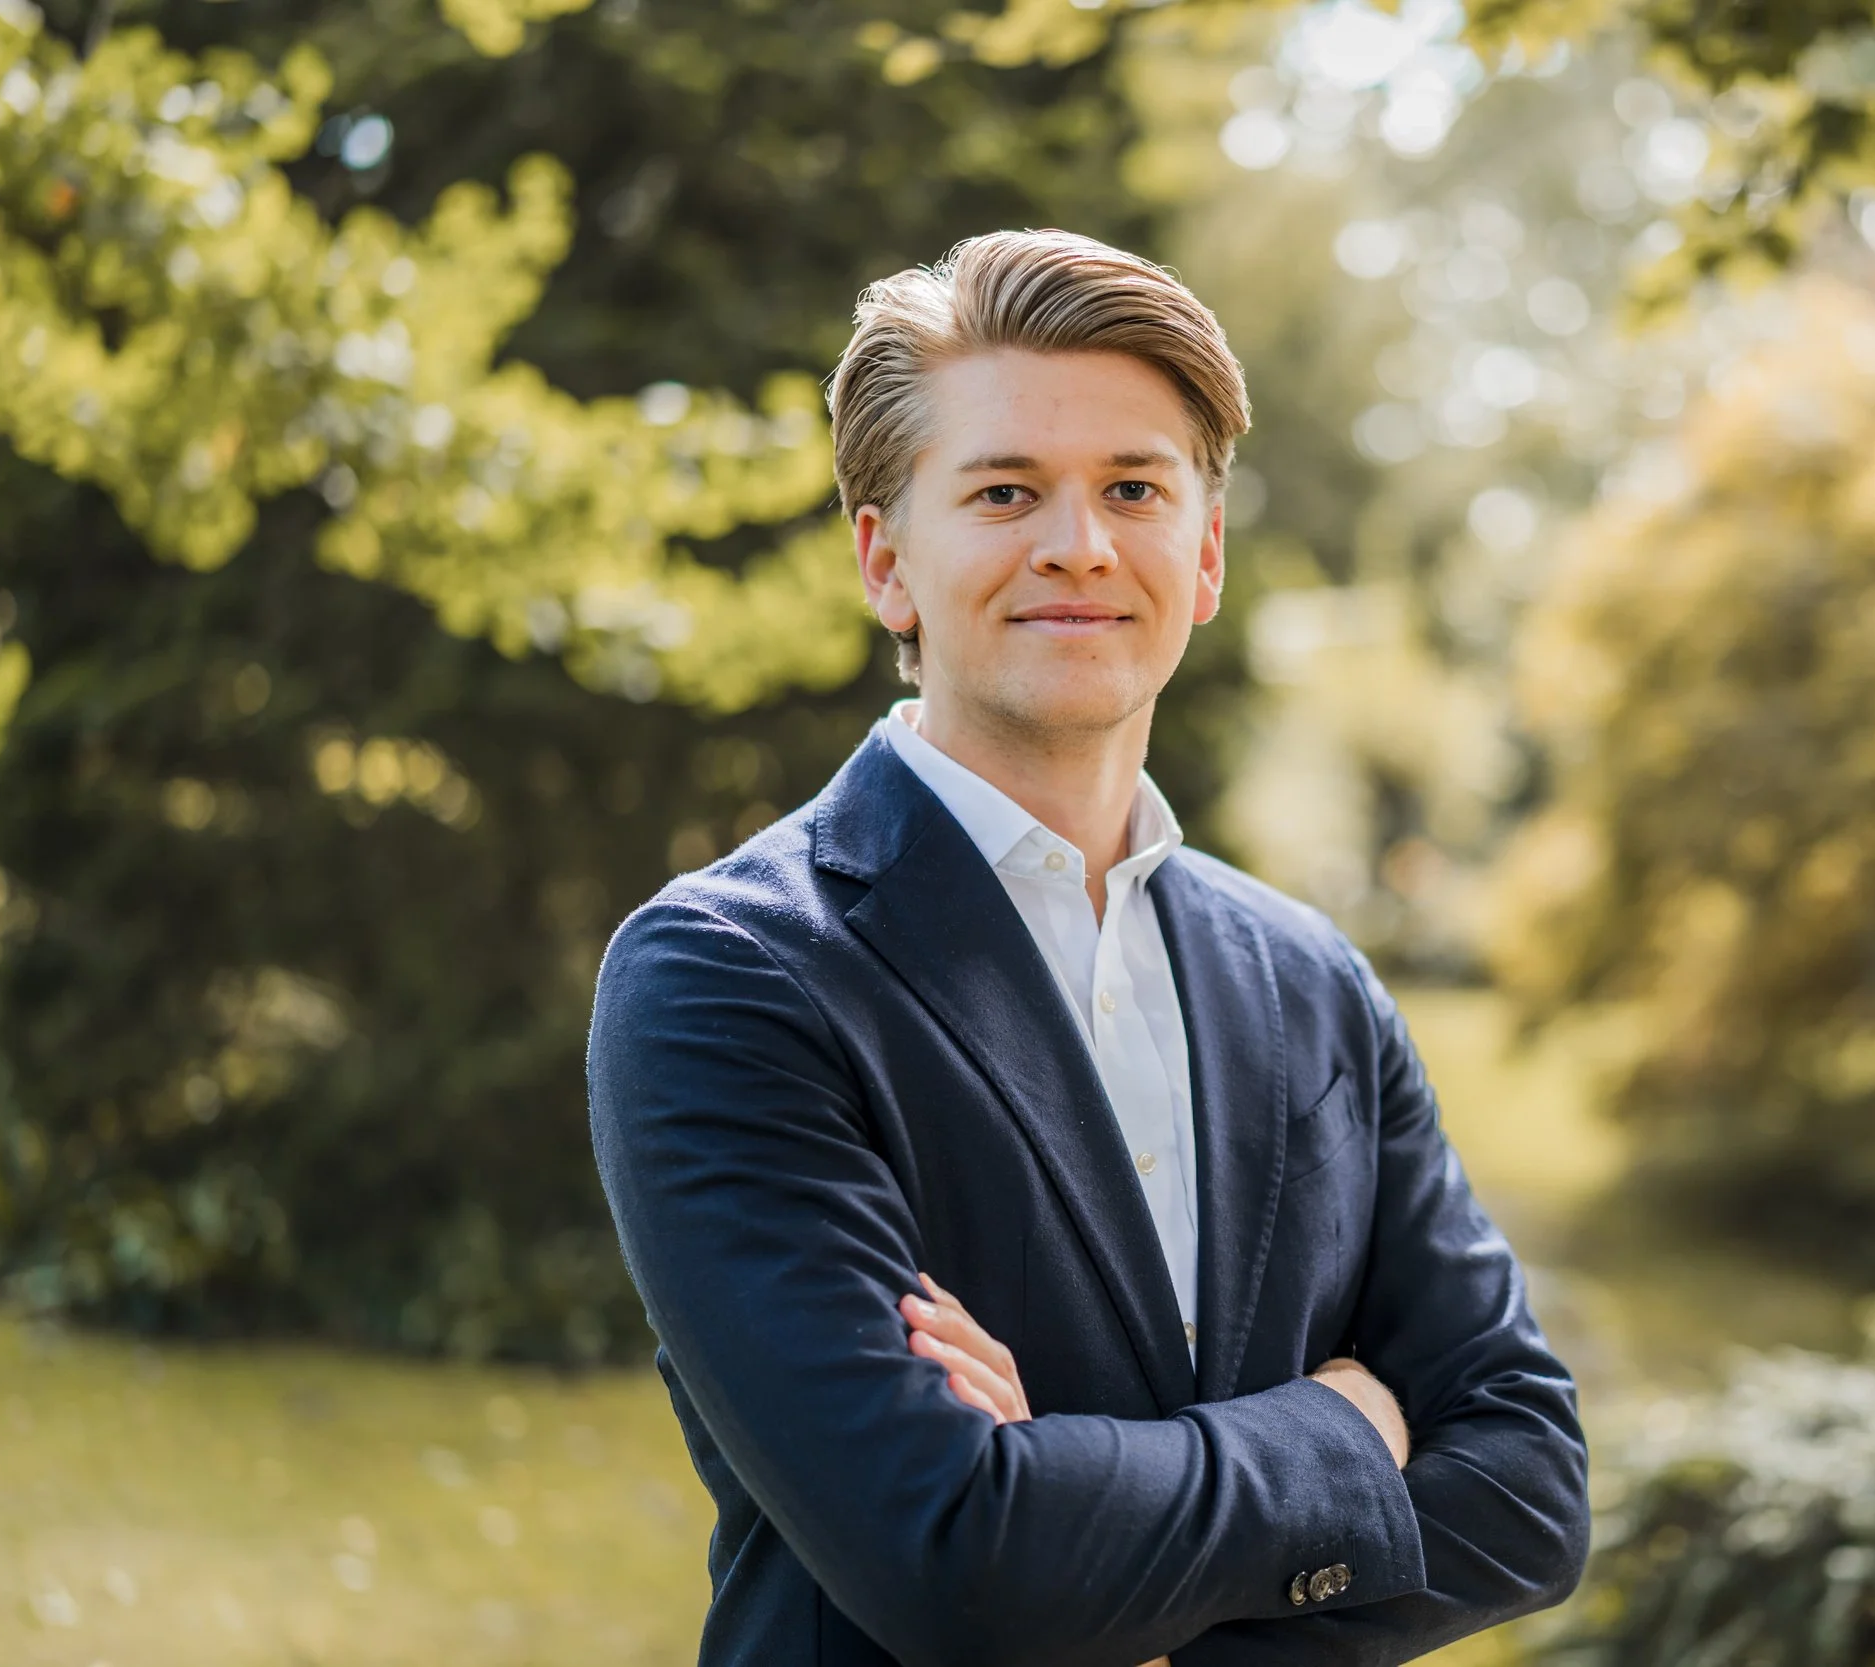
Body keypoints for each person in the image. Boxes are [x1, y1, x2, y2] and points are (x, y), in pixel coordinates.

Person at [586, 228, 1590, 1667]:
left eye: (1135, 488)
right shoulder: (728, 974)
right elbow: (951, 1557)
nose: (1080, 543)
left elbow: (1533, 1486)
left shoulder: (1313, 981)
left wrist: (1089, 1527)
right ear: (888, 562)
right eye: (1005, 491)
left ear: (1207, 553)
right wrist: (1347, 1429)